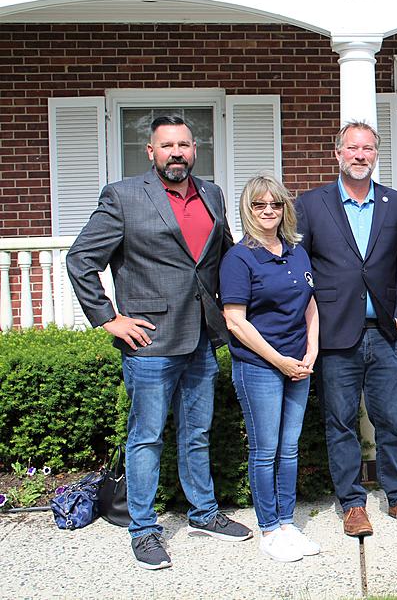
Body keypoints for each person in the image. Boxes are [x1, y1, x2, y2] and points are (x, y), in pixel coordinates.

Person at [66, 116, 252, 570]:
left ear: (195, 150)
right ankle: (143, 529)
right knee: (146, 437)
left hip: (203, 338)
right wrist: (108, 319)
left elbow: (223, 256)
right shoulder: (124, 196)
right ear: (150, 152)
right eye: (166, 145)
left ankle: (204, 513)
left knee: (198, 432)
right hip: (150, 341)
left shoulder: (212, 194)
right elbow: (80, 260)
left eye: (184, 144)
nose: (176, 152)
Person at [295, 121, 397, 538]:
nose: (359, 155)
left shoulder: (396, 204)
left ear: (375, 155)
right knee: (341, 423)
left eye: (367, 149)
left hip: (383, 332)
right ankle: (352, 503)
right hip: (335, 335)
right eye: (352, 148)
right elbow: (301, 267)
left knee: (391, 419)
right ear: (338, 153)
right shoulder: (311, 204)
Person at [220, 174, 319, 562]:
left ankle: (287, 523)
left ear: (284, 209)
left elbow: (310, 303)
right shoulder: (239, 258)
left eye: (275, 205)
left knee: (289, 449)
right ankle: (270, 529)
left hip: (298, 363)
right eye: (259, 204)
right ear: (248, 209)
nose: (268, 211)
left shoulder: (296, 250)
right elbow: (235, 321)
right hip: (260, 367)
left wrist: (312, 350)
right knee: (266, 450)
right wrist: (279, 361)